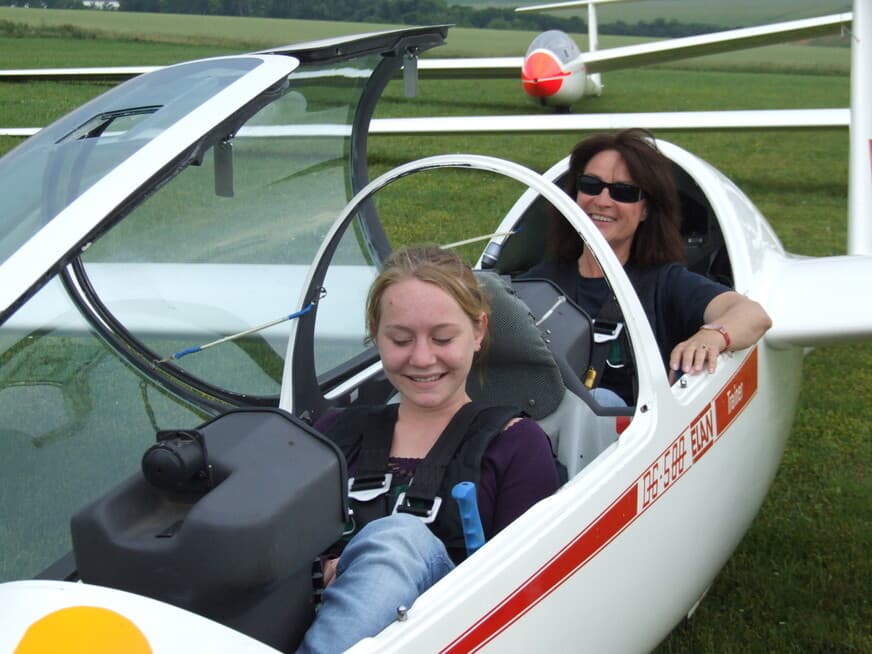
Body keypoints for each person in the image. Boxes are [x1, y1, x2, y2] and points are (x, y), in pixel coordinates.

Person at [295, 245, 560, 654]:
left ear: (478, 331)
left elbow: (527, 593)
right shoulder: (337, 432)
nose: (422, 358)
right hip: (303, 622)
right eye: (400, 339)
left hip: (452, 636)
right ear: (376, 335)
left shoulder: (516, 445)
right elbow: (277, 550)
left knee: (401, 539)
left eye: (442, 338)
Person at [524, 128, 772, 405]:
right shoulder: (539, 283)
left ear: (646, 210)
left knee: (603, 399)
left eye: (624, 192)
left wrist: (712, 335)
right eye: (591, 185)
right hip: (547, 428)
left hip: (631, 439)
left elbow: (752, 315)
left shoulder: (665, 283)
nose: (603, 201)